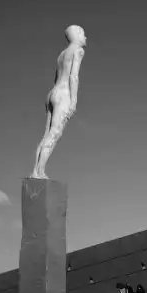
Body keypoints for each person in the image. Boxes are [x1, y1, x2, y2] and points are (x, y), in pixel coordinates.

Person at [31, 25, 87, 179]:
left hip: (52, 93)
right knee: (54, 134)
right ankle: (40, 172)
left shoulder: (62, 54)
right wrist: (74, 100)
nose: (85, 38)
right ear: (77, 34)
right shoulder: (78, 51)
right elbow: (73, 76)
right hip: (63, 94)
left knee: (46, 134)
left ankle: (36, 171)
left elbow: (56, 77)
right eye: (83, 34)